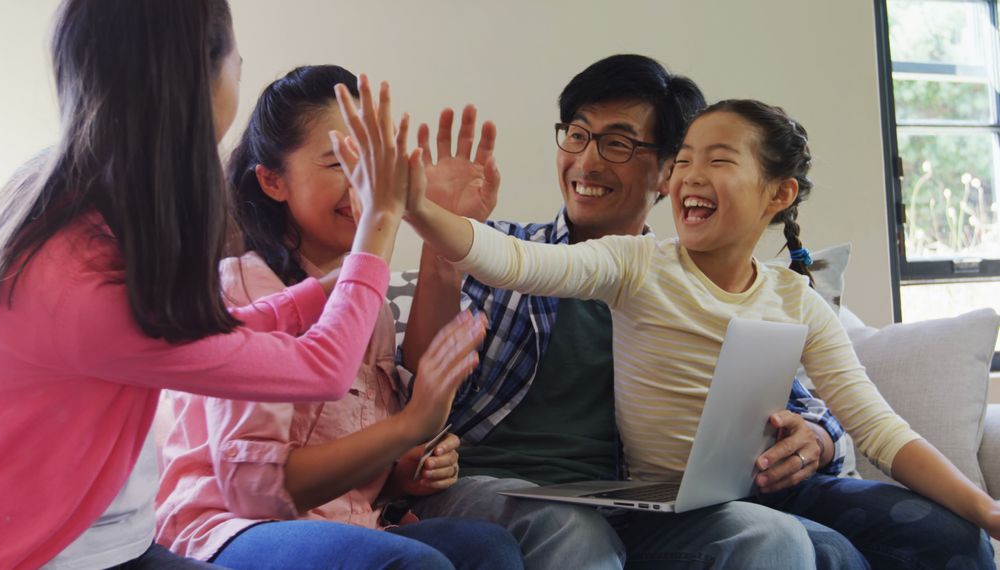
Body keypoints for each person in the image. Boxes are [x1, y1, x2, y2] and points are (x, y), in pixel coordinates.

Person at [384, 93, 1000, 568]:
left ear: (777, 195)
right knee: (768, 537)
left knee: (941, 531)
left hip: (718, 499)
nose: (691, 175)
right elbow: (513, 262)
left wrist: (985, 508)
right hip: (594, 498)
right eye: (686, 160)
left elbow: (877, 427)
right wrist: (420, 208)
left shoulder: (795, 299)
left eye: (719, 160)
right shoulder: (634, 263)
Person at [0, 1, 414, 568]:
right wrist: (379, 226)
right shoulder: (79, 276)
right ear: (195, 80)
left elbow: (185, 334)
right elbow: (322, 370)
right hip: (30, 556)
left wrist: (320, 291)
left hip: (113, 545)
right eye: (235, 56)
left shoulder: (78, 204)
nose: (241, 67)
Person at [398, 54, 850, 569]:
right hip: (487, 487)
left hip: (635, 503)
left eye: (617, 143)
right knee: (571, 529)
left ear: (669, 171)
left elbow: (800, 400)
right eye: (577, 135)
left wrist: (816, 437)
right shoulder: (502, 252)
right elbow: (420, 376)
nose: (587, 162)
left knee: (770, 535)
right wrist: (440, 239)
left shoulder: (688, 285)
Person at [155, 65, 523, 570]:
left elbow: (374, 436)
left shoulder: (363, 293)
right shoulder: (244, 285)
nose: (367, 184)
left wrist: (399, 473)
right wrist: (408, 426)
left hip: (348, 524)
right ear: (272, 180)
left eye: (373, 162)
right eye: (339, 163)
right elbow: (255, 494)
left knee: (490, 549)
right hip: (233, 529)